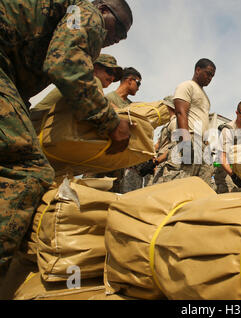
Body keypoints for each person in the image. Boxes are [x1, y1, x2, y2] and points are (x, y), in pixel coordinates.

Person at [0, 0, 133, 287]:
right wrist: (111, 123)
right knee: (27, 170)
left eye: (120, 38)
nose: (114, 39)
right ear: (103, 8)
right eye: (117, 29)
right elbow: (65, 64)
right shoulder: (87, 12)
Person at [31, 53, 124, 132]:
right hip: (35, 129)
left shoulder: (83, 81)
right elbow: (102, 108)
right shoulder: (92, 80)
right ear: (95, 67)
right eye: (109, 71)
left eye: (115, 75)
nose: (112, 78)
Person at [169, 58, 217, 187]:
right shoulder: (187, 86)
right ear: (198, 70)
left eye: (212, 76)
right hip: (190, 139)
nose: (210, 78)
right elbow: (180, 113)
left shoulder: (205, 96)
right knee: (182, 185)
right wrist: (185, 142)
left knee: (202, 187)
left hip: (202, 145)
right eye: (208, 73)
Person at [100, 67, 144, 193]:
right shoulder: (107, 99)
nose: (139, 87)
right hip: (102, 155)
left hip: (119, 162)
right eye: (138, 83)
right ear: (129, 80)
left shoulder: (132, 106)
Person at [140, 97, 178, 186]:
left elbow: (175, 147)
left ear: (168, 107)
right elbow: (158, 144)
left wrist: (156, 162)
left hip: (166, 163)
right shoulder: (168, 124)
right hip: (160, 163)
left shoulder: (175, 123)